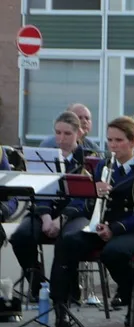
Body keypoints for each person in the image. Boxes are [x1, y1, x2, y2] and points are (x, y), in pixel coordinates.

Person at [48, 116, 134, 327]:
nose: (113, 145)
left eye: (119, 140)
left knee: (113, 252)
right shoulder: (102, 167)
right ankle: (60, 306)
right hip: (103, 228)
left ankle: (132, 297)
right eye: (110, 140)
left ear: (133, 141)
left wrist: (115, 228)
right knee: (67, 243)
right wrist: (93, 196)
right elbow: (90, 207)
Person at [8, 111, 90, 300]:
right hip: (44, 211)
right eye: (58, 133)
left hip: (75, 214)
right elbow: (39, 190)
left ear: (78, 134)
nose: (61, 139)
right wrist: (45, 217)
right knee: (20, 237)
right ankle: (37, 282)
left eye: (67, 134)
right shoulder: (44, 156)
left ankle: (65, 290)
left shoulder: (87, 159)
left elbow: (83, 198)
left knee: (69, 239)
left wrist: (61, 220)